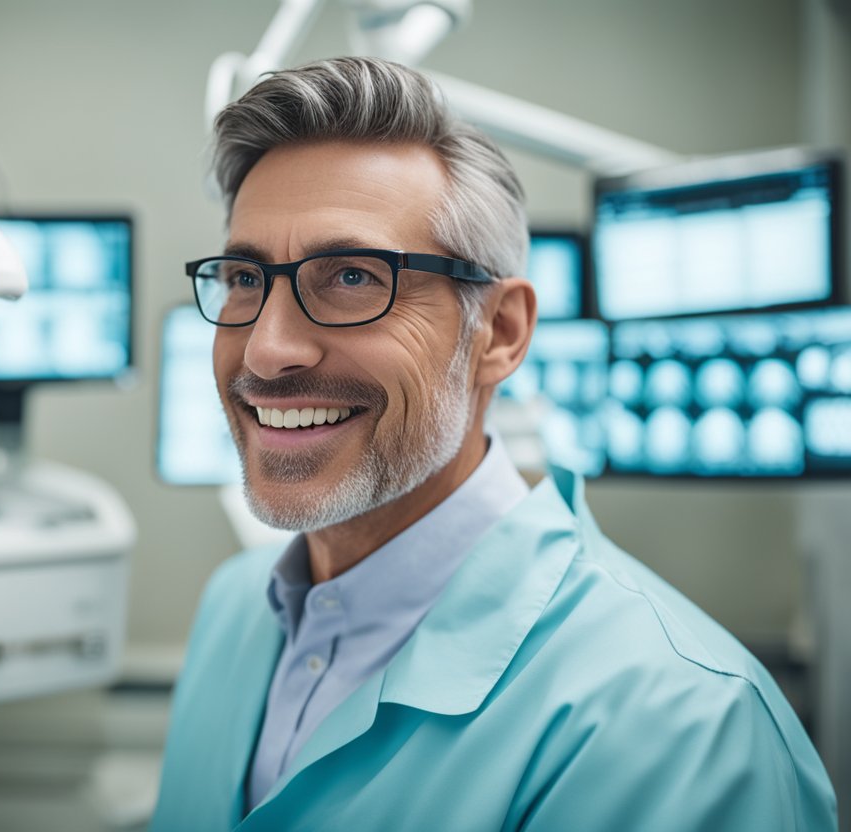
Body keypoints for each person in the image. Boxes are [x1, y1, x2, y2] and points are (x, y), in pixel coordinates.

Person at [151, 57, 836, 831]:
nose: (268, 350)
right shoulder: (235, 611)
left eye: (350, 276)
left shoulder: (684, 730)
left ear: (500, 334)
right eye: (245, 278)